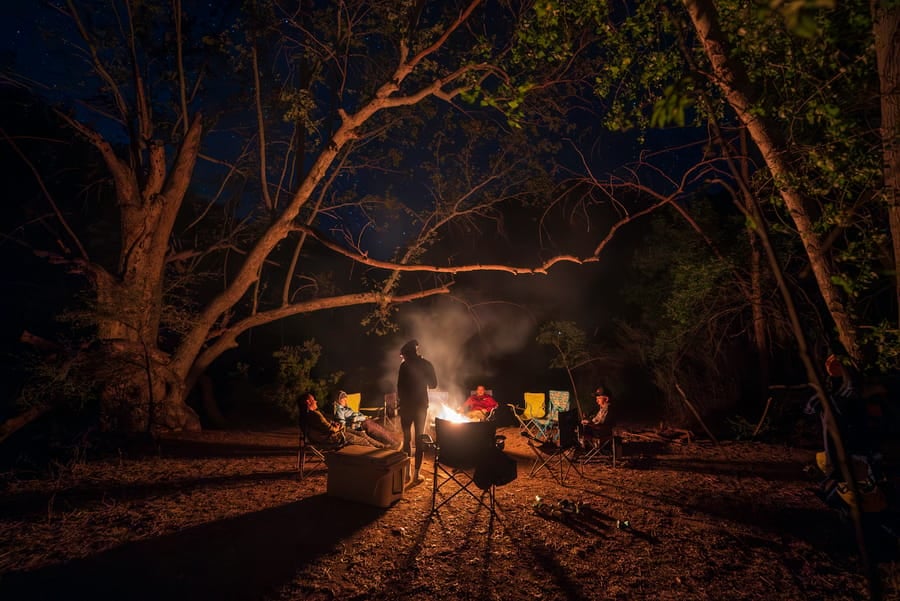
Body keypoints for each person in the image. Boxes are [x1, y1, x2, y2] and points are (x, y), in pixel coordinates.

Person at [396, 339, 437, 484]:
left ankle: (407, 473)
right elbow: (433, 385)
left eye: (404, 355)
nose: (403, 358)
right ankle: (416, 475)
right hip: (420, 406)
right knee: (419, 439)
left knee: (407, 439)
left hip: (406, 407)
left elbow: (399, 388)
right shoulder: (426, 364)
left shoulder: (404, 366)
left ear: (407, 353)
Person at [298, 392, 389, 449]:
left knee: (361, 434)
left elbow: (323, 424)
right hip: (330, 437)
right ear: (308, 402)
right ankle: (379, 453)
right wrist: (336, 427)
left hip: (329, 434)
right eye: (313, 400)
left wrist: (333, 424)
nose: (316, 401)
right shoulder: (314, 414)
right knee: (363, 441)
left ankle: (382, 447)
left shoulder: (307, 414)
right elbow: (330, 429)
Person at [333, 390, 401, 449]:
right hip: (357, 424)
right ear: (338, 400)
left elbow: (355, 415)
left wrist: (363, 417)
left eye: (345, 398)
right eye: (343, 399)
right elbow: (343, 423)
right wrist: (362, 418)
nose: (345, 400)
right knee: (374, 429)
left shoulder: (346, 408)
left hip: (362, 421)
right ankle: (391, 443)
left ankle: (392, 442)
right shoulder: (339, 410)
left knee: (378, 428)